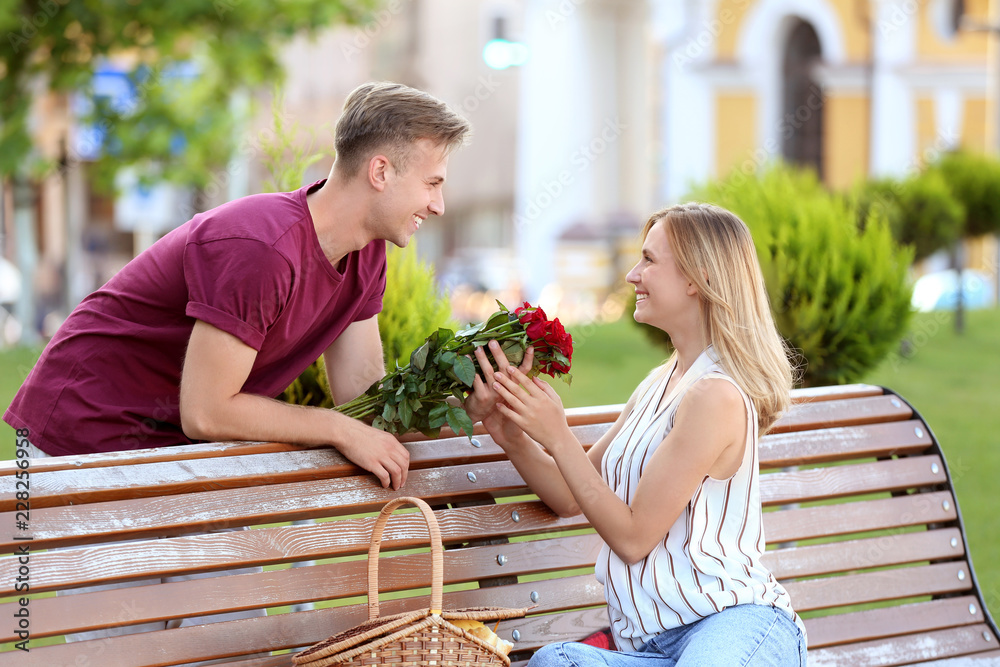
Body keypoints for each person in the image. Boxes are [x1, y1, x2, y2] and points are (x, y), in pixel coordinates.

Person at [5, 81, 473, 491]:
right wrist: (335, 428)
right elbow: (207, 412)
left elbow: (362, 394)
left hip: (173, 447)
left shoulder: (366, 253)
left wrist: (476, 408)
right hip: (87, 427)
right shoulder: (263, 247)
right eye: (432, 183)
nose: (439, 205)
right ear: (380, 172)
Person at [471, 203, 808, 666]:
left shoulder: (717, 396)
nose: (632, 274)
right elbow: (570, 496)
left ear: (696, 279)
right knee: (556, 662)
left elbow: (632, 539)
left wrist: (559, 435)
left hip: (731, 624)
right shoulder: (658, 384)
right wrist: (507, 431)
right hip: (647, 648)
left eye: (649, 260)